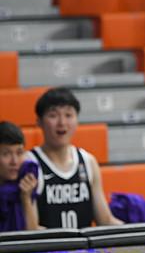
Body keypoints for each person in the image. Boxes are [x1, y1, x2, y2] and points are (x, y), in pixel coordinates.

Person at [25, 87, 122, 229]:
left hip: (84, 244)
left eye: (68, 115)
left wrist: (140, 229)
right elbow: (31, 229)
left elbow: (105, 220)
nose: (62, 122)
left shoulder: (88, 162)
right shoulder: (30, 163)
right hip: (49, 244)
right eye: (53, 115)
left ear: (77, 120)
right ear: (39, 121)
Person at [0, 121, 39, 231]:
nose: (14, 161)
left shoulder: (27, 181)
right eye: (6, 154)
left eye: (19, 153)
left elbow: (33, 235)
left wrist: (25, 198)